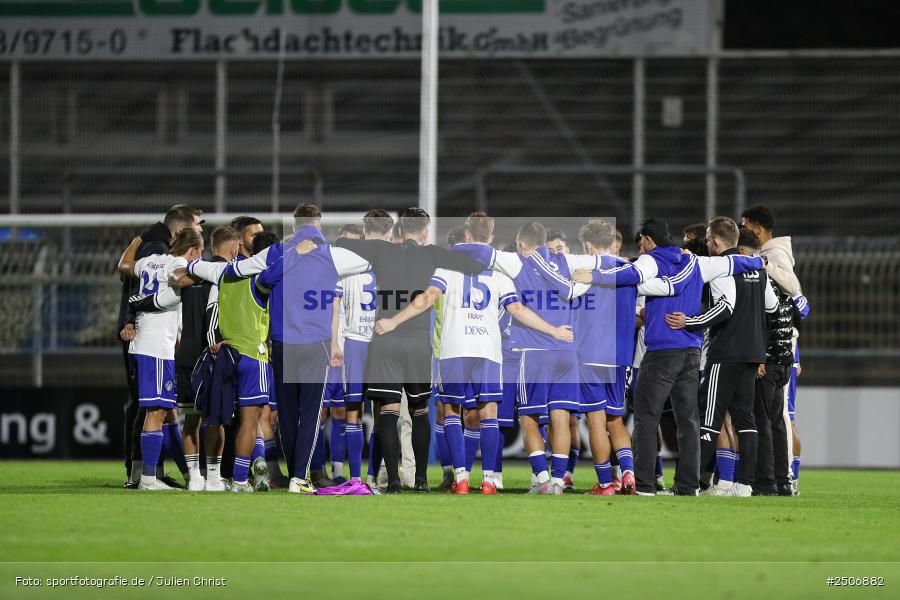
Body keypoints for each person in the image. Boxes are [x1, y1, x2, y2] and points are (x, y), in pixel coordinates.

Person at [375, 212, 573, 495]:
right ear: (489, 239)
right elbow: (517, 310)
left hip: (454, 348)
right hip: (487, 349)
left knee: (452, 411)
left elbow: (427, 298)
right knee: (488, 413)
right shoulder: (501, 273)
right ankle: (490, 480)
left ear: (467, 235)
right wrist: (553, 331)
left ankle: (462, 477)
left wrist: (393, 321)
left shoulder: (446, 267)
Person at [184, 203, 373, 493]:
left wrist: (192, 266)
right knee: (310, 413)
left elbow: (235, 269)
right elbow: (367, 263)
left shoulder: (275, 254)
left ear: (294, 227)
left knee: (286, 413)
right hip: (317, 342)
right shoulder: (333, 256)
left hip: (283, 342)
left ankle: (290, 473)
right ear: (318, 226)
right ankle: (299, 477)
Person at [330, 208, 488, 493]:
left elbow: (342, 243)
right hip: (417, 343)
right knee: (418, 412)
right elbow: (476, 266)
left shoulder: (381, 251)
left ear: (399, 231)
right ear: (425, 232)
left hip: (384, 340)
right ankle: (421, 480)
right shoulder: (433, 254)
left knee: (388, 412)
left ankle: (392, 481)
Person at [621, 218, 764, 496]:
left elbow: (725, 307)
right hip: (693, 352)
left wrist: (689, 321)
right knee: (689, 421)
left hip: (667, 350)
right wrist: (760, 263)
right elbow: (749, 278)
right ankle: (688, 486)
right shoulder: (699, 264)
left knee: (647, 416)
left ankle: (645, 485)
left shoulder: (665, 264)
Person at [664, 217, 778, 497]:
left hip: (726, 352)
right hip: (752, 352)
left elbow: (725, 309)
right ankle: (745, 484)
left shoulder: (722, 268)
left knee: (708, 418)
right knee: (746, 420)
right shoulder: (756, 268)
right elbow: (772, 306)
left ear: (715, 242)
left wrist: (689, 321)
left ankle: (687, 485)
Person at [119, 204, 202, 488]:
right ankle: (149, 479)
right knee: (155, 412)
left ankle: (159, 475)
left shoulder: (150, 260)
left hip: (146, 344)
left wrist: (136, 240)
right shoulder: (175, 265)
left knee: (160, 411)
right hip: (156, 346)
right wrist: (206, 274)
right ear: (192, 251)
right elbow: (181, 278)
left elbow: (124, 266)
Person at [740, 205, 810, 493]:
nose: (741, 228)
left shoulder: (771, 257)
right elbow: (798, 308)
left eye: (744, 224)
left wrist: (764, 266)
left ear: (756, 228)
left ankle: (775, 480)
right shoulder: (772, 256)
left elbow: (795, 293)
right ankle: (783, 479)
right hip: (782, 350)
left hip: (772, 352)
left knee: (775, 417)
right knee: (779, 417)